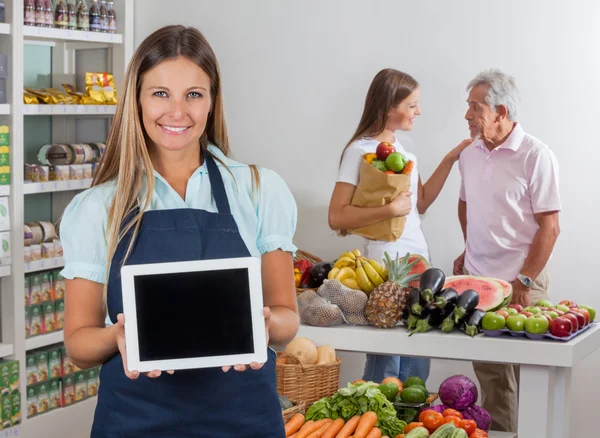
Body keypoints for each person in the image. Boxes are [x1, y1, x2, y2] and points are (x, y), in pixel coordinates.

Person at [60, 25, 299, 437]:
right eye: (159, 94)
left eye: (193, 94)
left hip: (244, 419)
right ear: (136, 101)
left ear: (211, 101)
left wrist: (263, 325)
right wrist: (118, 336)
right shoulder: (97, 207)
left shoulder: (260, 189)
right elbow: (78, 344)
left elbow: (287, 317)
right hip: (136, 421)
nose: (177, 112)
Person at [328, 68, 470, 384]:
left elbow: (420, 203)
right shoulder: (358, 151)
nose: (418, 111)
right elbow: (336, 216)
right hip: (385, 265)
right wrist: (390, 208)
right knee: (387, 360)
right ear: (389, 107)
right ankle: (376, 426)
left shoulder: (405, 150)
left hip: (419, 263)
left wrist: (449, 159)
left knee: (418, 361)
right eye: (412, 105)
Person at [454, 69, 561, 433]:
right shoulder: (469, 155)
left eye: (474, 107)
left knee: (527, 376)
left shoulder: (536, 154)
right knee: (492, 381)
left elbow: (550, 226)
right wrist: (468, 250)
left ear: (500, 111)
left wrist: (525, 279)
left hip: (524, 281)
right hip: (478, 282)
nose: (467, 115)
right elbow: (465, 204)